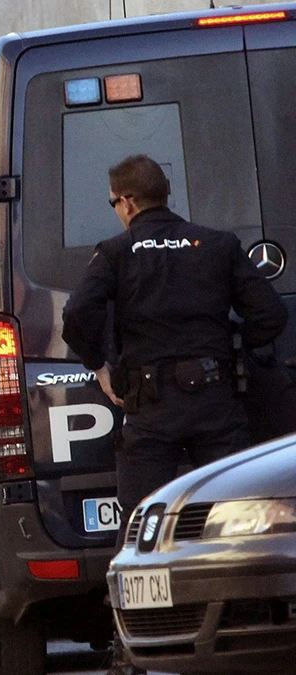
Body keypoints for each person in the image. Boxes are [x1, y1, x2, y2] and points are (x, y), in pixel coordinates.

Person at [61, 155, 287, 674]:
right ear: (165, 194)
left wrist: (99, 366)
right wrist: (236, 353)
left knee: (140, 526)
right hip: (215, 402)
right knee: (236, 520)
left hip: (151, 410)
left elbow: (77, 315)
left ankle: (130, 650)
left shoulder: (117, 253)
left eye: (114, 203)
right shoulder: (219, 245)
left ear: (128, 202)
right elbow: (270, 315)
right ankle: (249, 635)